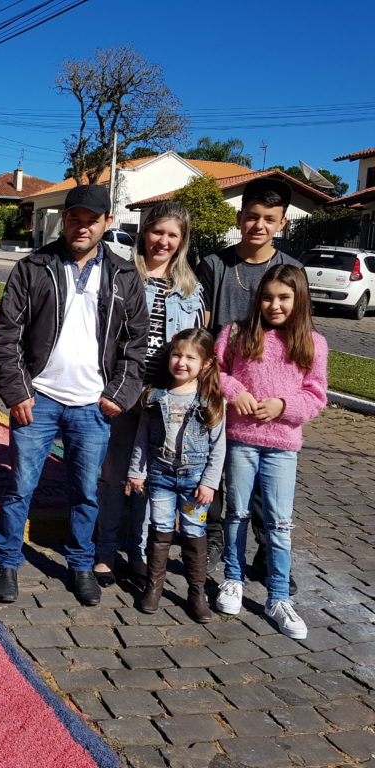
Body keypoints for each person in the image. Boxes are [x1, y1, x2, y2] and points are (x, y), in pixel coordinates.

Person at [0, 184, 148, 607]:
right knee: (21, 486)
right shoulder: (34, 267)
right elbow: (8, 335)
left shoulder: (124, 276)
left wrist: (119, 395)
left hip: (93, 405)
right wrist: (16, 390)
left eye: (91, 220)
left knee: (85, 491)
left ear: (107, 223)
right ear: (64, 218)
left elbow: (136, 344)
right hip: (38, 399)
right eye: (75, 218)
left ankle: (80, 565)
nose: (82, 227)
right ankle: (7, 562)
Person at [196, 177, 302, 585]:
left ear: (282, 223)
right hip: (222, 386)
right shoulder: (215, 265)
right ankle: (215, 543)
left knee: (264, 482)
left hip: (272, 400)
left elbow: (298, 337)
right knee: (215, 471)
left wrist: (283, 401)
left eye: (269, 219)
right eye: (252, 216)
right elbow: (203, 328)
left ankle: (264, 554)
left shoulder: (291, 269)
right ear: (240, 217)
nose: (259, 225)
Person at [94, 202, 205, 589]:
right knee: (113, 474)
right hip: (122, 387)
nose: (164, 241)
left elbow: (197, 343)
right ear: (145, 232)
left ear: (182, 240)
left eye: (172, 235)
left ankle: (137, 551)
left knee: (149, 479)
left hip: (165, 398)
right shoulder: (121, 274)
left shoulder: (191, 288)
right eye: (158, 231)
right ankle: (105, 550)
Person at [214, 265, 327, 638]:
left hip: (282, 446)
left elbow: (315, 395)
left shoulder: (312, 343)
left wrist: (283, 406)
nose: (274, 305)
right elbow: (215, 371)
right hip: (242, 440)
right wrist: (236, 392)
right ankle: (233, 577)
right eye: (267, 297)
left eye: (283, 298)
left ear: (299, 300)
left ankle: (279, 597)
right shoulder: (237, 334)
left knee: (279, 523)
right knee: (237, 512)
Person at [128, 328, 226, 623]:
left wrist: (210, 482)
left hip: (195, 482)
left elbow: (219, 447)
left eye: (190, 358)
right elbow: (142, 438)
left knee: (194, 533)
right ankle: (153, 587)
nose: (181, 362)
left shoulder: (211, 400)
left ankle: (196, 593)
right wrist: (137, 471)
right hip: (160, 476)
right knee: (159, 529)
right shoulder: (154, 397)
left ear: (206, 363)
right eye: (176, 355)